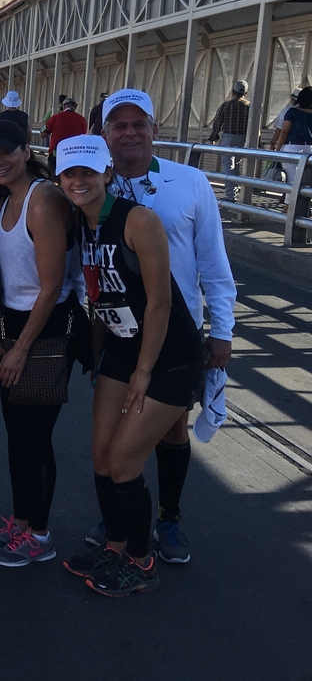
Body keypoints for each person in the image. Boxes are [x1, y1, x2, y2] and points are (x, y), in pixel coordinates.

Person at [56, 135, 203, 597]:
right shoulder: (81, 224)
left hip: (169, 356)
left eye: (88, 172)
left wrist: (143, 371)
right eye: (69, 174)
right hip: (121, 347)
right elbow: (100, 294)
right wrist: (98, 352)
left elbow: (160, 302)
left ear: (107, 173)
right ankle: (115, 546)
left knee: (123, 462)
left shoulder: (139, 220)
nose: (78, 181)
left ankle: (141, 562)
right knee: (102, 456)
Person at [97, 88, 235, 563]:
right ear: (105, 134)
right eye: (119, 125)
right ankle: (119, 516)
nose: (130, 133)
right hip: (119, 333)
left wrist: (222, 331)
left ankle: (169, 518)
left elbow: (213, 262)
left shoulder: (190, 182)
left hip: (178, 332)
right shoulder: (94, 184)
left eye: (139, 124)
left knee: (173, 428)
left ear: (155, 130)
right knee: (114, 433)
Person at [0, 120, 79, 567]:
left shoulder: (44, 199)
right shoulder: (4, 198)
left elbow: (51, 286)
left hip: (48, 328)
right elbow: (6, 279)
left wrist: (20, 349)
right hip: (13, 323)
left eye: (6, 151)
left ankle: (40, 534)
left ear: (25, 151)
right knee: (17, 435)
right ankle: (21, 521)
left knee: (35, 437)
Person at [208, 81, 251, 202]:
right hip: (243, 138)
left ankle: (230, 195)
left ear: (233, 92)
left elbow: (217, 123)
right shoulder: (249, 106)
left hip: (228, 137)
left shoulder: (226, 105)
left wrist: (213, 137)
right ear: (246, 93)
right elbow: (254, 125)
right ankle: (235, 190)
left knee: (228, 166)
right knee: (237, 165)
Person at [43, 97, 87, 171]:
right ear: (75, 107)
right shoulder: (82, 119)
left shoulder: (54, 118)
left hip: (56, 153)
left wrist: (44, 127)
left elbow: (43, 134)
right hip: (73, 153)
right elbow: (83, 136)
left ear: (63, 106)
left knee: (53, 174)